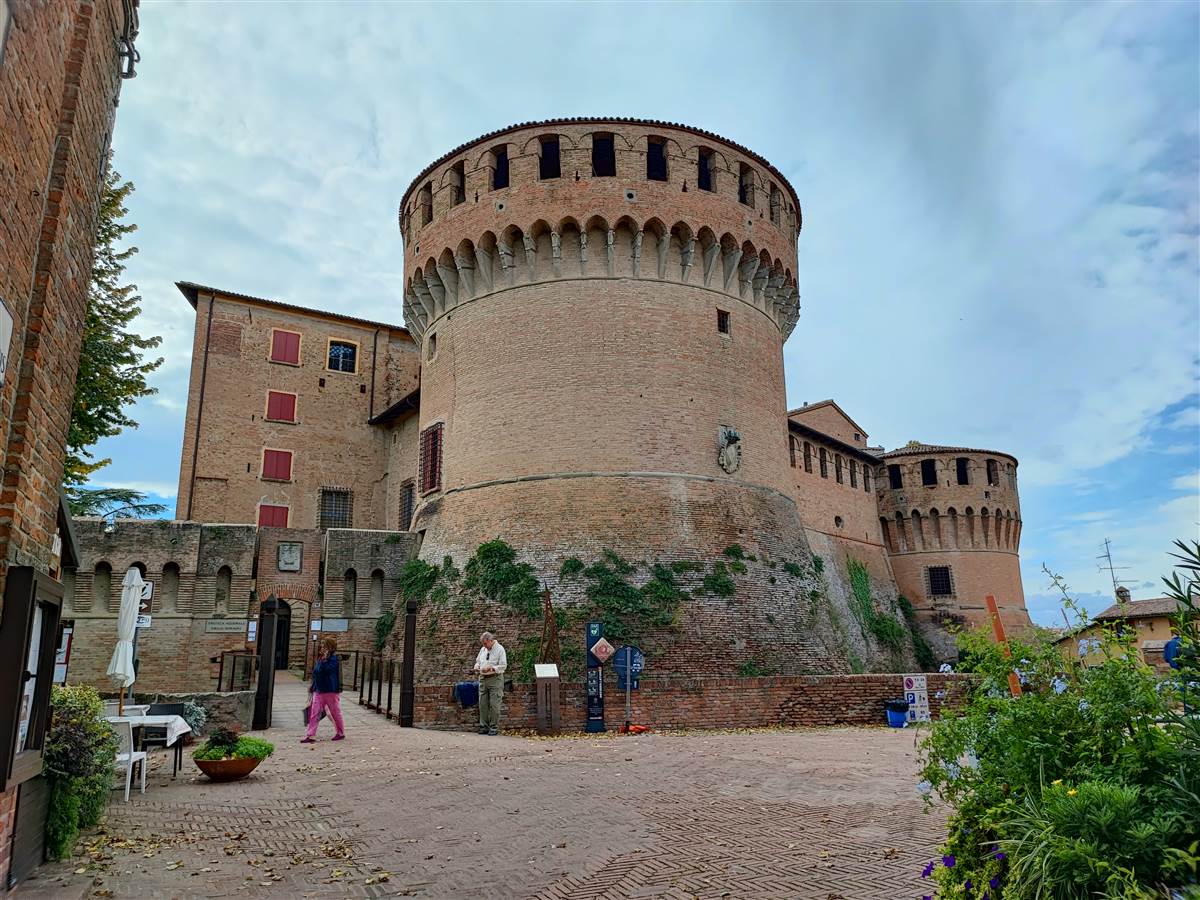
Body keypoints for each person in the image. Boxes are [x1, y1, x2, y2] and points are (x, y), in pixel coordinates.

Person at [303, 637, 345, 743]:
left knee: (335, 712)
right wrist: (313, 686)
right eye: (322, 645)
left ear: (330, 647)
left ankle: (340, 733)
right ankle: (310, 735)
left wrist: (324, 660)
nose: (322, 647)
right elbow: (316, 672)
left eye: (324, 645)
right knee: (314, 712)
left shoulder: (334, 659)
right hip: (319, 690)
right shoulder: (321, 659)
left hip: (330, 690)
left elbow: (326, 670)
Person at [472, 631, 507, 736]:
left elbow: (503, 666)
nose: (484, 646)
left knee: (494, 704)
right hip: (483, 678)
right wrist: (477, 666)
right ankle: (484, 726)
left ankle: (493, 727)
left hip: (495, 679)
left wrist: (491, 668)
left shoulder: (500, 649)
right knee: (482, 704)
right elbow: (478, 661)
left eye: (485, 643)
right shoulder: (483, 649)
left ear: (491, 641)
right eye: (483, 644)